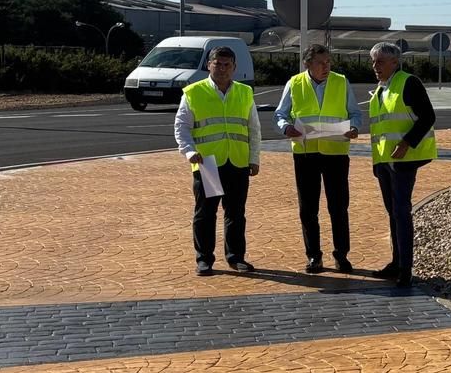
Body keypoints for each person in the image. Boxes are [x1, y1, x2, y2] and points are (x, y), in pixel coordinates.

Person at [174, 46, 261, 277]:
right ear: (209, 65)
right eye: (217, 64)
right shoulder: (194, 92)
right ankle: (204, 259)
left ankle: (236, 257)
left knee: (236, 213)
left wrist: (254, 158)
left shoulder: (244, 92)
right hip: (208, 163)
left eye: (227, 65)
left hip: (238, 162)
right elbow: (181, 127)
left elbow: (253, 128)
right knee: (206, 213)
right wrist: (189, 151)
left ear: (234, 67)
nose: (222, 69)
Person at [275, 44, 362, 274]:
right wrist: (286, 128)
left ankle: (341, 256)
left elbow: (355, 113)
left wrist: (354, 127)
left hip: (336, 153)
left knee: (339, 207)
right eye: (321, 63)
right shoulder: (294, 83)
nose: (326, 67)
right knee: (308, 209)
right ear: (307, 64)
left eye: (328, 62)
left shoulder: (341, 82)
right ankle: (314, 256)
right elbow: (281, 114)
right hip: (306, 154)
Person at [366, 42, 436, 288]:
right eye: (373, 61)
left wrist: (407, 143)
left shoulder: (408, 83)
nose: (375, 66)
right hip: (385, 161)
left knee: (401, 212)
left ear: (395, 62)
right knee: (393, 212)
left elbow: (428, 116)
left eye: (380, 61)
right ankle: (397, 263)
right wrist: (377, 163)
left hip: (404, 161)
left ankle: (405, 268)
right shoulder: (381, 88)